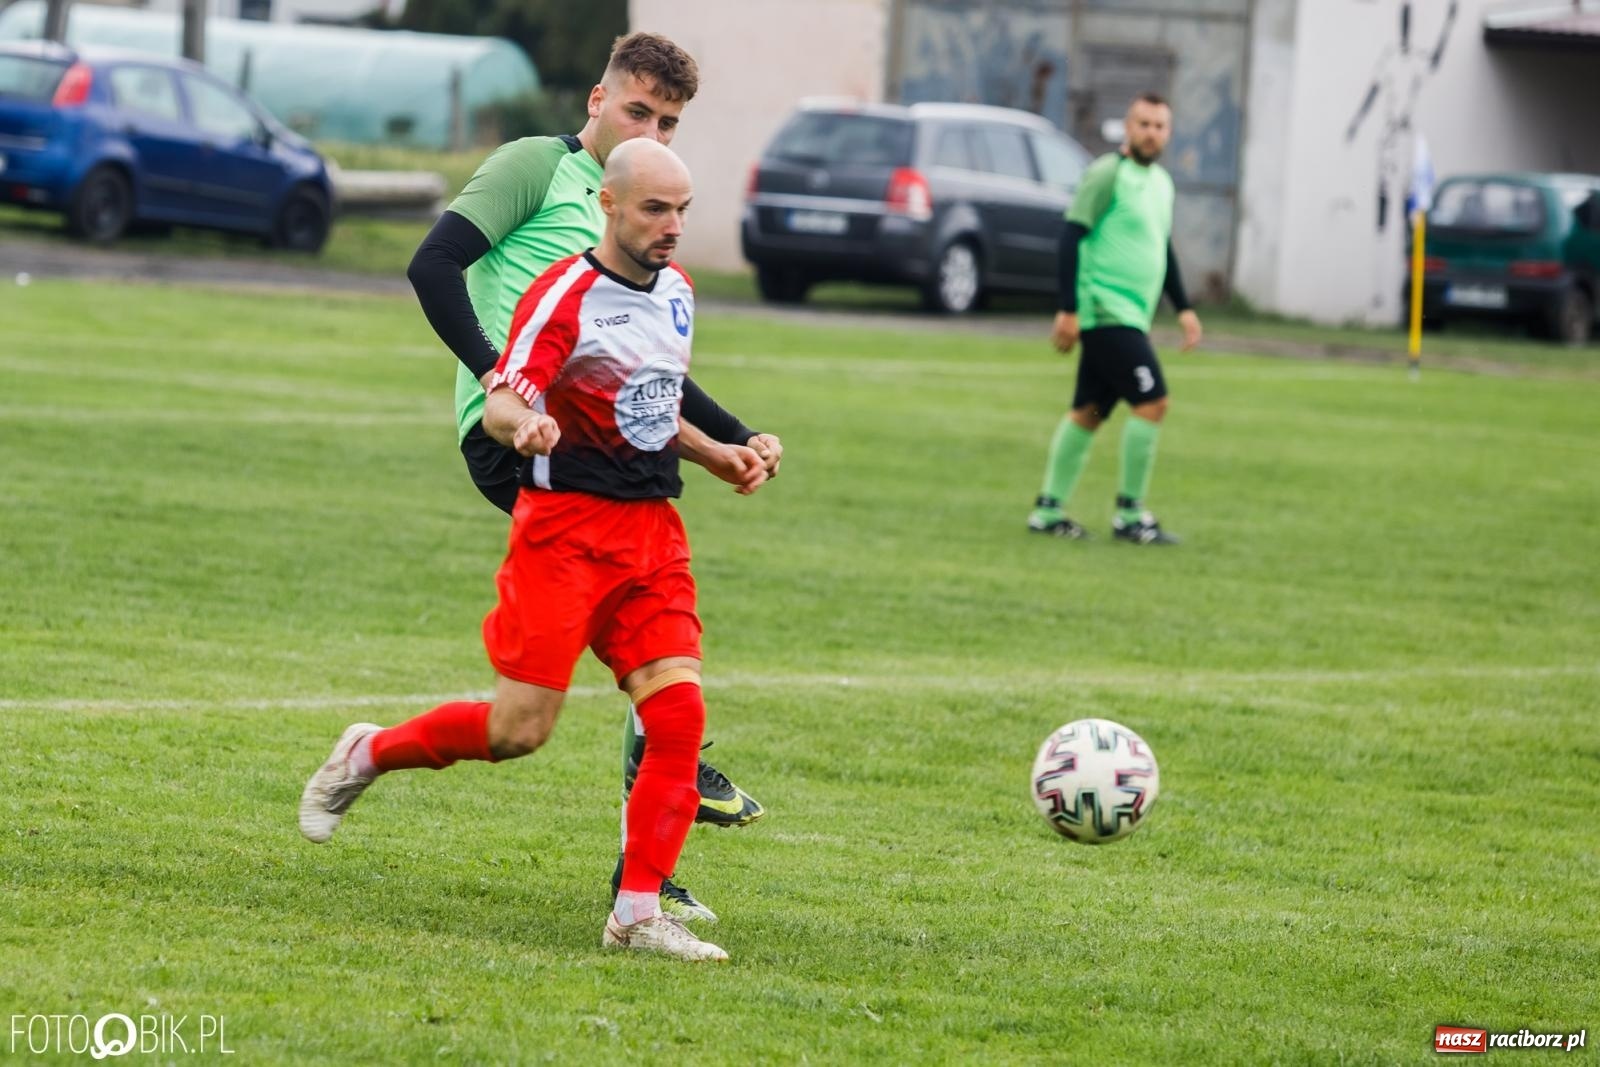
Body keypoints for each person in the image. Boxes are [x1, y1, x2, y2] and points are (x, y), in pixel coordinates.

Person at [302, 139, 747, 962]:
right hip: (564, 532)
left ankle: (638, 910)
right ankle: (369, 751)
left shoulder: (677, 291)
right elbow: (505, 392)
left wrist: (719, 451)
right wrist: (525, 423)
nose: (673, 226)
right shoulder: (564, 292)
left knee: (678, 711)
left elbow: (651, 393)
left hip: (651, 532)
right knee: (518, 729)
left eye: (682, 209)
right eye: (656, 208)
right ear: (609, 205)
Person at [405, 31, 778, 923]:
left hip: (604, 437)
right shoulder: (537, 166)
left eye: (669, 120)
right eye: (637, 108)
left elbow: (644, 369)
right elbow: (433, 263)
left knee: (642, 615)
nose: (650, 126)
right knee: (640, 619)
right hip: (520, 435)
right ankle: (662, 794)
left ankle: (652, 830)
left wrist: (734, 434)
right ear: (596, 101)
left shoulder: (641, 232)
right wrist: (503, 378)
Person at [1027, 91, 1203, 545]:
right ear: (1128, 127)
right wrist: (1068, 310)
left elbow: (1162, 249)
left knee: (1088, 412)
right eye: (1143, 124)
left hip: (1134, 317)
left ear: (1168, 132)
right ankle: (1129, 516)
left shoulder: (1162, 184)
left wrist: (1183, 309)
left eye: (1159, 126)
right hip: (1106, 311)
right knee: (1153, 401)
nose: (1151, 133)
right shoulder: (1107, 175)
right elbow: (1071, 238)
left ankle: (1047, 511)